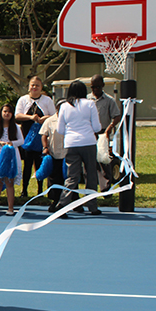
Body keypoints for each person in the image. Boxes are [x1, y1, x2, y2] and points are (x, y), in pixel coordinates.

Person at [54, 80, 103, 215]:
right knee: (91, 175)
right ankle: (92, 206)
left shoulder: (64, 106)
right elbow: (97, 127)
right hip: (88, 142)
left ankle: (62, 203)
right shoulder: (90, 104)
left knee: (72, 176)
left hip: (71, 143)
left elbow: (60, 129)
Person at [15, 76, 55, 198]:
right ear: (29, 87)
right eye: (32, 85)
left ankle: (40, 190)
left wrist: (44, 118)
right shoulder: (23, 100)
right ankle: (24, 190)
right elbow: (17, 116)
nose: (34, 87)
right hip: (27, 137)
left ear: (41, 87)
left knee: (40, 164)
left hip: (41, 137)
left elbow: (54, 116)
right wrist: (31, 118)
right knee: (27, 165)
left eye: (37, 85)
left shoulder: (47, 100)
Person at [0, 104, 24, 216]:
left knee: (9, 182)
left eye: (9, 112)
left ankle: (10, 208)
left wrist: (12, 143)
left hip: (11, 157)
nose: (7, 114)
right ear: (1, 113)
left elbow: (21, 141)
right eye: (5, 111)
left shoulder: (15, 127)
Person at [88, 74, 121, 190]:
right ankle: (90, 189)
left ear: (102, 86)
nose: (95, 89)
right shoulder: (86, 100)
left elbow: (117, 116)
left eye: (97, 87)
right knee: (90, 162)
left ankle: (105, 189)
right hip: (89, 133)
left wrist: (110, 127)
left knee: (104, 162)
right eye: (93, 87)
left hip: (103, 133)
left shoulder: (109, 100)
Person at [39, 99, 67, 212]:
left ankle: (72, 202)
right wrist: (45, 147)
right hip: (54, 153)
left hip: (67, 154)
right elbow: (43, 135)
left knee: (68, 179)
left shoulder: (69, 120)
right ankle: (55, 201)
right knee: (55, 179)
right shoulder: (50, 121)